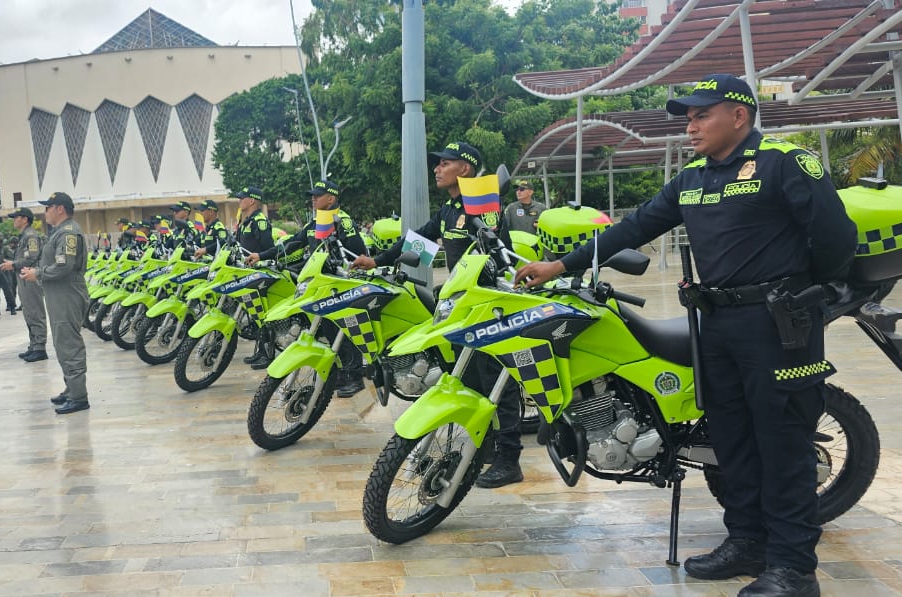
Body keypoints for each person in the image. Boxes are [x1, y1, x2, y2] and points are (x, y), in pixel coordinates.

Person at [514, 74, 855, 597]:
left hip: (777, 325)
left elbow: (835, 237)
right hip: (713, 324)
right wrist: (559, 264)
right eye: (688, 117)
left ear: (739, 115)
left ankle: (793, 569)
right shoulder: (692, 178)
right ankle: (746, 541)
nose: (690, 126)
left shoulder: (784, 163)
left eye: (702, 115)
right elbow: (634, 228)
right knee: (731, 440)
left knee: (783, 445)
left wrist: (807, 295)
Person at [351, 140, 526, 489]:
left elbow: (491, 239)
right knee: (470, 378)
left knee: (494, 379)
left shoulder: (484, 205)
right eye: (438, 164)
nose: (437, 169)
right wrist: (378, 260)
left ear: (465, 168)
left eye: (444, 163)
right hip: (461, 304)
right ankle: (487, 443)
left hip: (487, 302)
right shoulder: (449, 209)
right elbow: (421, 241)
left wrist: (480, 207)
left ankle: (510, 458)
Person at [246, 179, 370, 396]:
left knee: (345, 330)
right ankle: (341, 371)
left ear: (331, 198)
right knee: (330, 330)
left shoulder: (343, 221)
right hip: (320, 285)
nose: (313, 199)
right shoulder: (314, 223)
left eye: (317, 195)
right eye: (312, 195)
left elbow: (357, 252)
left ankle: (355, 376)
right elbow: (293, 242)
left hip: (340, 285)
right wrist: (262, 256)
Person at [21, 192, 90, 414]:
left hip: (67, 292)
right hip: (59, 293)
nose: (45, 212)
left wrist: (38, 273)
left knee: (69, 343)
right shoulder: (58, 232)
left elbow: (64, 266)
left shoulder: (68, 232)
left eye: (48, 207)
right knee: (62, 342)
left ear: (60, 209)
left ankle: (79, 396)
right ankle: (72, 389)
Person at [233, 186, 277, 368]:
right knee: (255, 315)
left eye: (242, 198)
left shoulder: (260, 221)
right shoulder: (247, 221)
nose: (239, 201)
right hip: (249, 274)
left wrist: (260, 257)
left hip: (260, 274)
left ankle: (268, 354)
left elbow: (269, 249)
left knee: (264, 315)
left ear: (251, 200)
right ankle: (259, 351)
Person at [3, 207, 49, 363]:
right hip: (24, 277)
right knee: (29, 312)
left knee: (35, 311)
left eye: (16, 217)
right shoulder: (24, 236)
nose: (14, 220)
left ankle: (40, 348)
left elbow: (32, 258)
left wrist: (13, 264)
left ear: (24, 219)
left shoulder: (31, 236)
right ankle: (34, 345)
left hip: (31, 278)